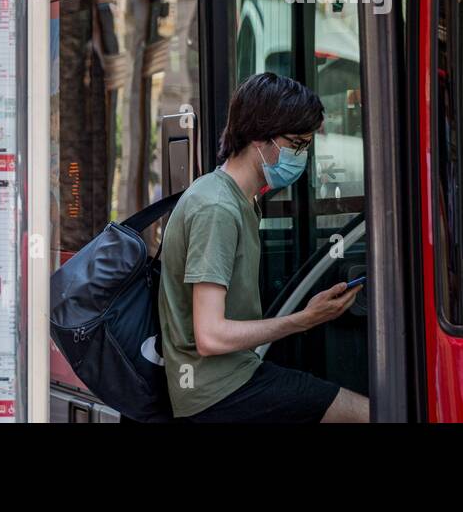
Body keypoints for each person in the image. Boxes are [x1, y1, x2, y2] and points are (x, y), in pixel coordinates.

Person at [158, 72, 369, 422]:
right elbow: (210, 335)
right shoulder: (217, 208)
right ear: (260, 138)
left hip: (234, 376)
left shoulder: (235, 198)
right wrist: (302, 320)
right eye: (297, 145)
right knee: (370, 413)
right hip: (218, 392)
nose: (303, 156)